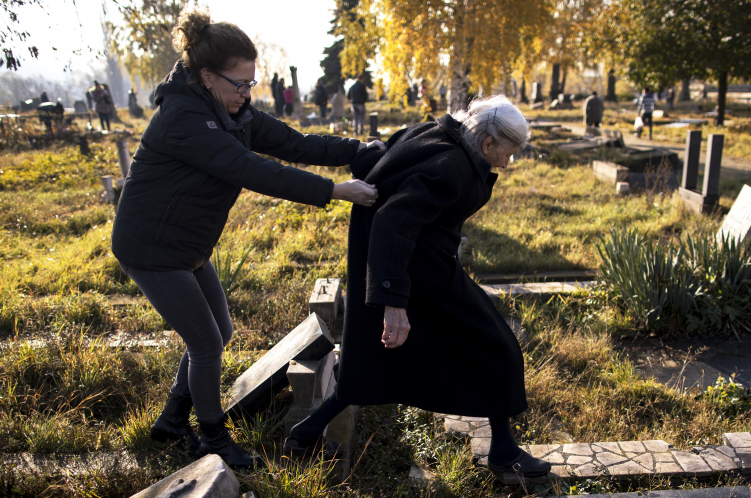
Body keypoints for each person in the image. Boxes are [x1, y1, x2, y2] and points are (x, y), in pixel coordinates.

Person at [110, 8, 382, 470]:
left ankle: (174, 418)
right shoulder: (185, 118)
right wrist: (334, 191)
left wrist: (358, 150)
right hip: (152, 247)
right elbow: (250, 169)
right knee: (206, 344)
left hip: (187, 245)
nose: (247, 93)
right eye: (239, 84)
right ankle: (213, 438)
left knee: (220, 331)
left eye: (251, 83)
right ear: (206, 76)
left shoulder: (231, 110)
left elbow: (293, 143)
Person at [284, 95, 552, 480]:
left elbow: (380, 156)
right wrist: (394, 301)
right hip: (417, 268)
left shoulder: (435, 133)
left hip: (401, 261)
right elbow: (393, 221)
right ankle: (504, 453)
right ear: (488, 143)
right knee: (498, 347)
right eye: (507, 154)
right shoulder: (452, 167)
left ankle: (306, 432)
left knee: (372, 358)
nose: (507, 164)